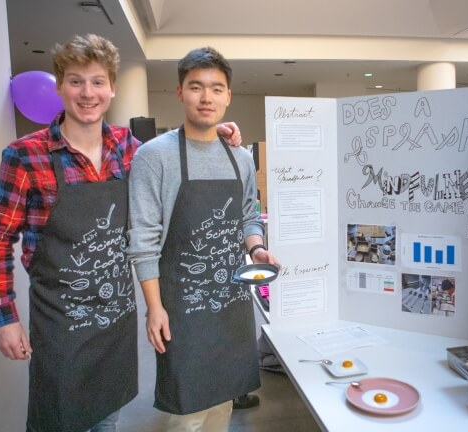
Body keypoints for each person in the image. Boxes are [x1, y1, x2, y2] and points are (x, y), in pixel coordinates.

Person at [0, 34, 241, 432]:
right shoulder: (25, 155)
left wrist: (215, 135)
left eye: (98, 81)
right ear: (60, 86)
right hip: (60, 325)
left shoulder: (129, 148)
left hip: (117, 325)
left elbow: (173, 158)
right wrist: (4, 319)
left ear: (112, 88)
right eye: (76, 81)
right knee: (58, 420)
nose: (88, 93)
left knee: (107, 420)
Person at [127, 46, 279, 430]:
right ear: (180, 93)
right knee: (186, 415)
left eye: (216, 88)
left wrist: (256, 248)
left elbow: (247, 216)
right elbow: (143, 239)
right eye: (196, 87)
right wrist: (154, 307)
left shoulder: (241, 158)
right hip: (182, 309)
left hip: (230, 307)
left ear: (228, 96)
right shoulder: (153, 156)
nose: (206, 97)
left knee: (222, 409)